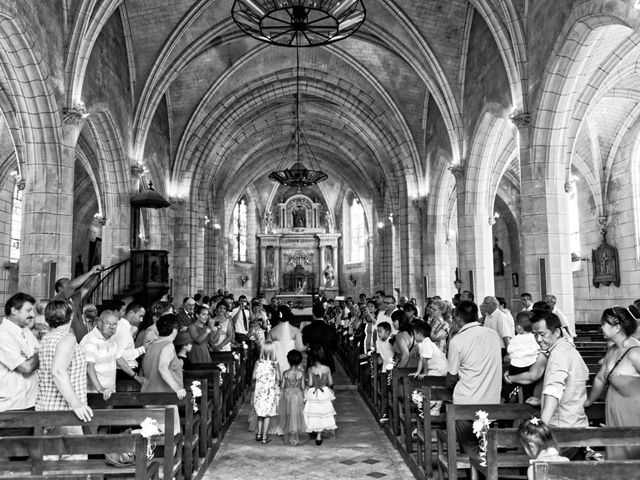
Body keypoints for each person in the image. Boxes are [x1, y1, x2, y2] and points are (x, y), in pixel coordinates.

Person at [36, 300, 92, 460]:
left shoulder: (46, 338)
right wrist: (77, 404)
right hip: (66, 412)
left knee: (48, 467)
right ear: (72, 316)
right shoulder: (67, 339)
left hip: (45, 409)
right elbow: (58, 371)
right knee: (75, 468)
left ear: (47, 319)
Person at [446, 300, 502, 453]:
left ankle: (473, 473)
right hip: (492, 402)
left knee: (469, 446)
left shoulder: (457, 340)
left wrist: (448, 385)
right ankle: (486, 473)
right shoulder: (493, 335)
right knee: (486, 447)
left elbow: (451, 376)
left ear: (457, 318)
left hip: (466, 403)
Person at [584, 306, 640, 459]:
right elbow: (601, 378)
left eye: (603, 324)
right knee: (618, 462)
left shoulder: (636, 352)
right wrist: (588, 401)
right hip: (615, 414)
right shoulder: (613, 350)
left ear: (617, 327)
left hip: (633, 416)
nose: (600, 327)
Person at [141, 314, 189, 434]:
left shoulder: (150, 345)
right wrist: (177, 388)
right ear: (174, 330)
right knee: (172, 435)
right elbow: (162, 367)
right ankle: (128, 439)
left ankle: (129, 440)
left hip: (148, 395)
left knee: (153, 433)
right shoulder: (168, 345)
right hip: (164, 397)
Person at [80, 310, 143, 400]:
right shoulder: (91, 340)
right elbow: (89, 366)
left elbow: (119, 360)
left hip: (108, 393)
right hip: (93, 395)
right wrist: (100, 389)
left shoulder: (111, 340)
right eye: (108, 323)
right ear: (99, 323)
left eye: (115, 324)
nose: (112, 327)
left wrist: (136, 377)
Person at [0, 293, 39, 413]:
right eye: (28, 310)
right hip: (11, 406)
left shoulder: (26, 331)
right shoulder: (3, 335)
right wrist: (41, 351)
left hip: (31, 403)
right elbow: (27, 367)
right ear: (14, 310)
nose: (32, 315)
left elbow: (36, 358)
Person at [504, 311, 540, 402]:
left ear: (519, 327)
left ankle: (511, 399)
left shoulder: (516, 338)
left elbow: (510, 350)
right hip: (531, 366)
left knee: (512, 386)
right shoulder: (535, 337)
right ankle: (527, 400)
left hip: (516, 367)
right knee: (528, 390)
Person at [304, 345, 337, 446]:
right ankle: (319, 435)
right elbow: (331, 382)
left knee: (314, 412)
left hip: (314, 392)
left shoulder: (310, 369)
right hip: (324, 391)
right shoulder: (327, 368)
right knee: (323, 412)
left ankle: (314, 431)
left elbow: (309, 384)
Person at [252, 340, 280, 444]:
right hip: (270, 391)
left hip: (259, 391)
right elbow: (279, 378)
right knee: (267, 415)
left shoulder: (258, 363)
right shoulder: (275, 364)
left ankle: (259, 434)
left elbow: (254, 377)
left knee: (260, 414)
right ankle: (264, 437)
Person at [279, 349, 307, 445]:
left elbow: (282, 386)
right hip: (297, 395)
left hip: (287, 395)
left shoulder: (285, 373)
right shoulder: (301, 373)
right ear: (299, 361)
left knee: (289, 414)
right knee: (297, 415)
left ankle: (290, 436)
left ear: (288, 360)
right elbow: (303, 387)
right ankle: (295, 437)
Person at [268, 305, 304, 374]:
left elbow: (268, 350)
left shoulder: (272, 331)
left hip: (277, 365)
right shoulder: (295, 330)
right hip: (292, 364)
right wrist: (307, 346)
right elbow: (299, 348)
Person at [303, 303, 338, 372]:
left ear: (313, 315)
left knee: (313, 381)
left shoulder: (307, 328)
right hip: (327, 359)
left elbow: (304, 343)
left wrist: (311, 352)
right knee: (328, 381)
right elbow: (335, 346)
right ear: (324, 314)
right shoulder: (331, 329)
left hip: (313, 359)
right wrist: (328, 352)